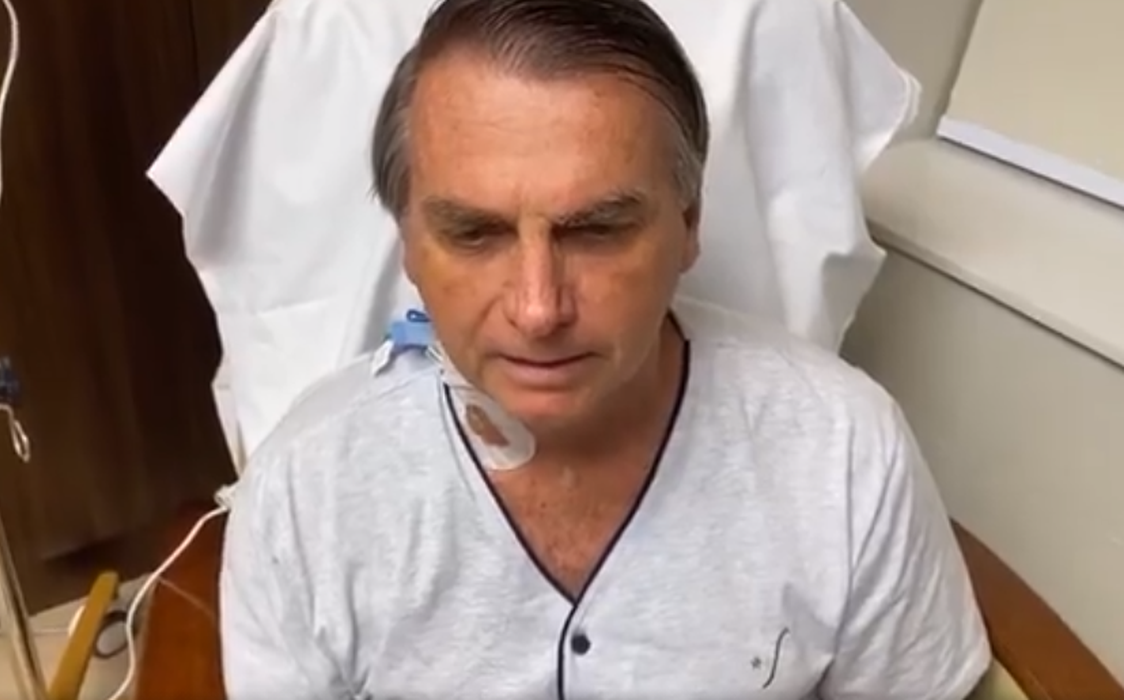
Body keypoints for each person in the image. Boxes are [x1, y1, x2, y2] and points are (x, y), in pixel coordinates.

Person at [218, 0, 992, 698]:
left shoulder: (844, 456)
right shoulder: (305, 497)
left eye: (596, 230)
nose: (538, 309)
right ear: (409, 246)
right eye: (475, 233)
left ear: (688, 226)